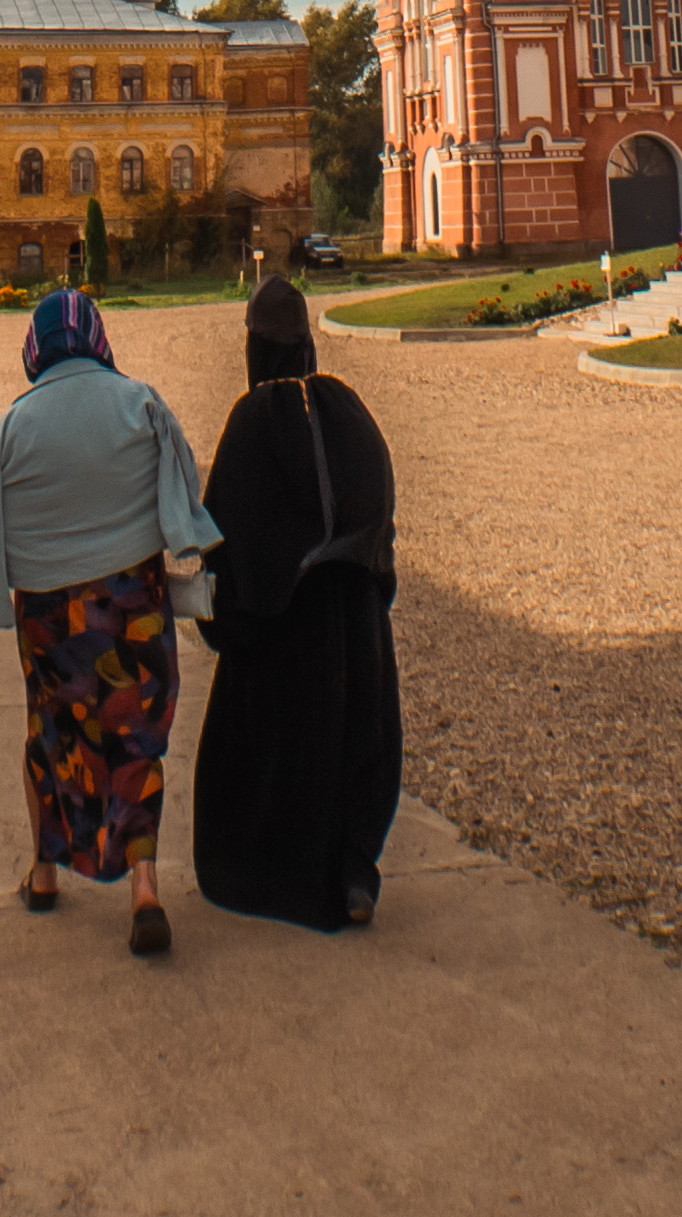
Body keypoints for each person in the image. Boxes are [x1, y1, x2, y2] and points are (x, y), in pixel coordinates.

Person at [0, 285, 218, 953]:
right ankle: (145, 889)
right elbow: (181, 485)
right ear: (96, 338)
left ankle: (44, 872)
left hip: (49, 616)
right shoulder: (139, 401)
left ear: (36, 346)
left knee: (52, 738)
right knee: (135, 739)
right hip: (133, 602)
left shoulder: (15, 423)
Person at [190, 276, 400, 931]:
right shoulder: (348, 408)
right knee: (356, 740)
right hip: (352, 625)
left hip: (284, 631)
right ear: (306, 342)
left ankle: (275, 871)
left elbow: (226, 530)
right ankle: (351, 869)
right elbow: (378, 505)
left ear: (256, 347)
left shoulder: (253, 419)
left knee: (275, 748)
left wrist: (229, 605)